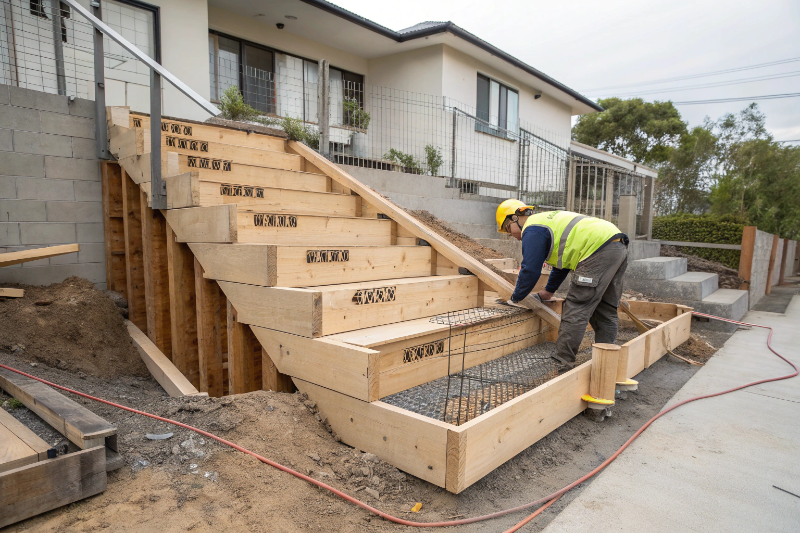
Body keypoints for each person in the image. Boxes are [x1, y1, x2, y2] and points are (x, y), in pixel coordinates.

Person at [495, 200, 629, 371]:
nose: (511, 235)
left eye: (508, 229)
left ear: (515, 218)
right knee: (605, 309)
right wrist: (547, 293)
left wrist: (516, 298)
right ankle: (607, 366)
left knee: (576, 307)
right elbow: (561, 265)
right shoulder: (547, 223)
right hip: (617, 245)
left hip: (598, 248)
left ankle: (562, 363)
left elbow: (530, 269)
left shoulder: (532, 228)